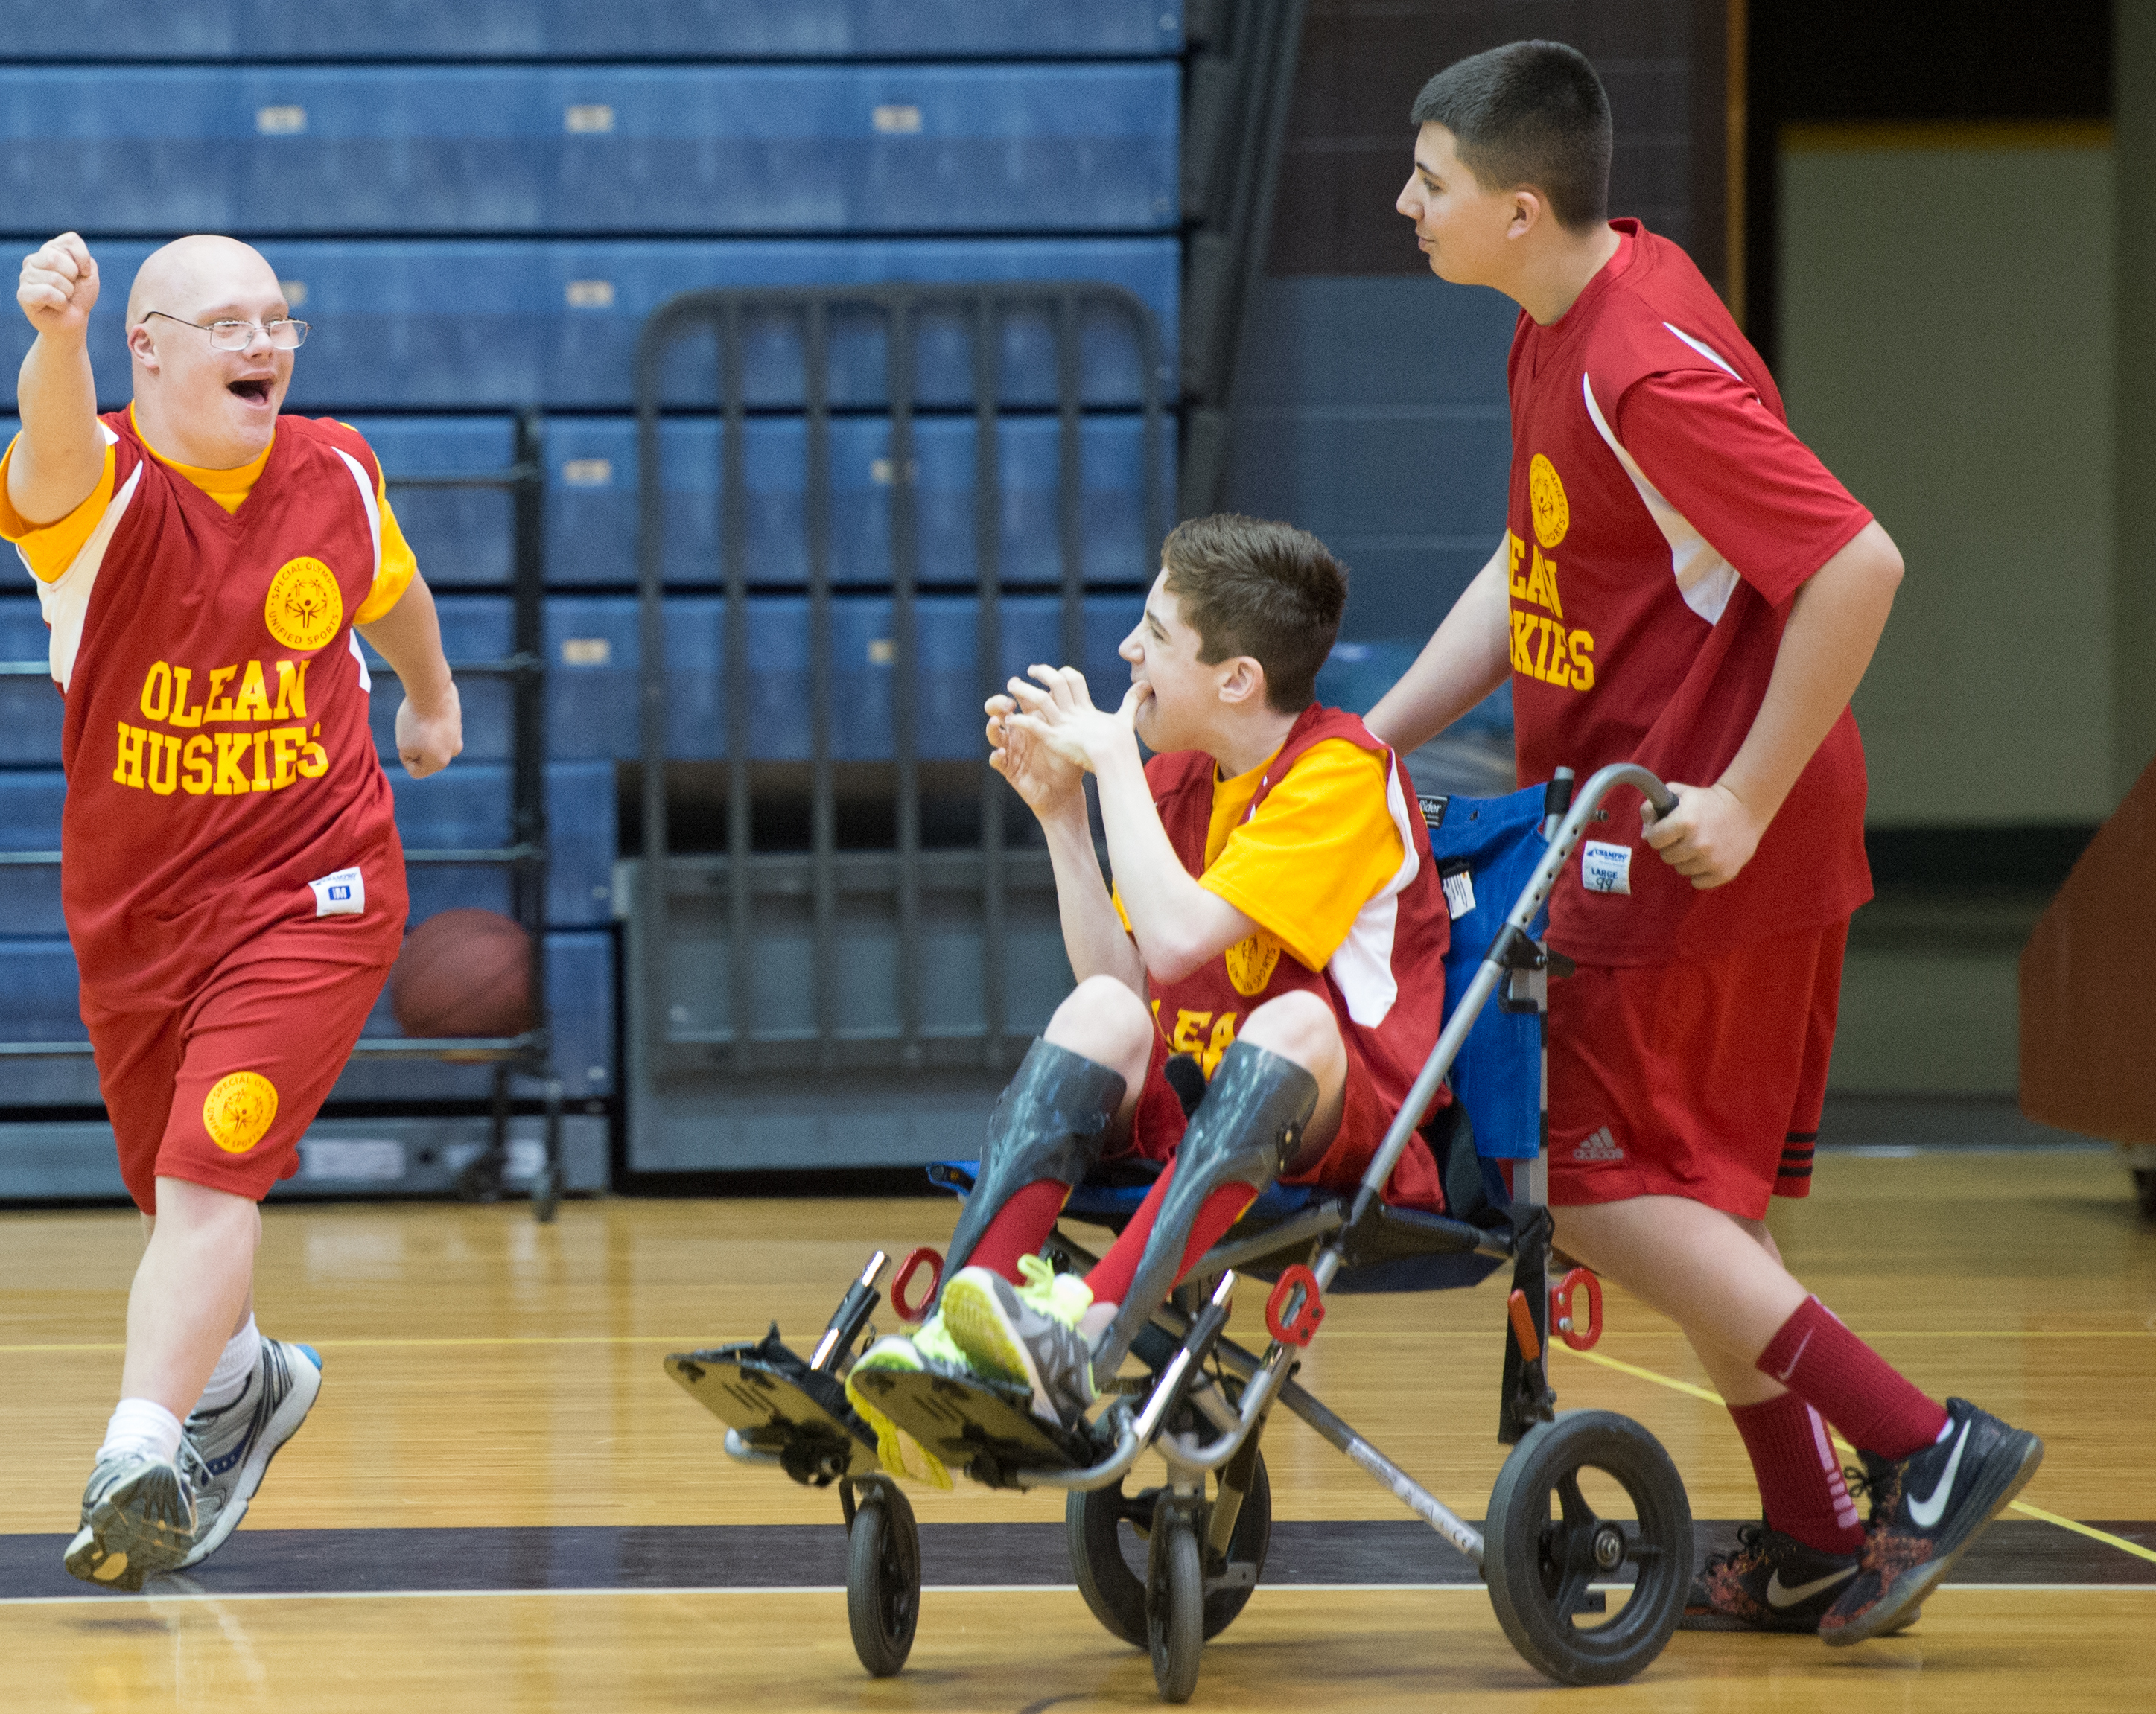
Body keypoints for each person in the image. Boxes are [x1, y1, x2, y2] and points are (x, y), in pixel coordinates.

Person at [1370, 42, 2040, 1644]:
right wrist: (1375, 735)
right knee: (1683, 1202)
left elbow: (1854, 564)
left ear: (1518, 209)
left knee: (1587, 1184)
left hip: (1699, 832)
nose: (1403, 201)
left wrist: (1736, 794)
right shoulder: (1562, 322)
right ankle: (1813, 1532)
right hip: (1653, 821)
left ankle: (1923, 1441)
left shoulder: (1642, 358)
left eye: (1430, 180)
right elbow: (1532, 548)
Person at [0, 231, 464, 1590]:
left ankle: (137, 1450)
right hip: (139, 913)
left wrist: (430, 696)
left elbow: (397, 591)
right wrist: (54, 336)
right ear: (147, 349)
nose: (263, 343)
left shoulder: (336, 469)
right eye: (226, 324)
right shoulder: (99, 499)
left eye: (279, 321)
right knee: (172, 1196)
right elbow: (50, 440)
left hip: (318, 888)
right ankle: (246, 1381)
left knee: (208, 1172)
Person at [844, 514, 1454, 1483]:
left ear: (1237, 679)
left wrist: (1114, 764)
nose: (1127, 650)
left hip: (1343, 1121)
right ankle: (962, 1341)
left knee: (1292, 1018)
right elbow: (1128, 981)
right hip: (1200, 1103)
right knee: (1099, 1015)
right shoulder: (1175, 775)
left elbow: (1176, 938)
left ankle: (1081, 1338)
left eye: (1155, 634)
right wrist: (1061, 816)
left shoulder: (1339, 774)